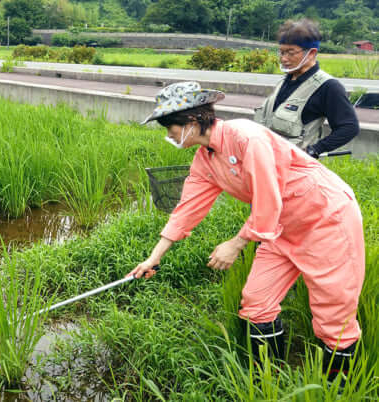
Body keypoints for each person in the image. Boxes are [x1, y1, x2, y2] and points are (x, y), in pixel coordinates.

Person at [130, 81, 365, 383]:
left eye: (170, 128)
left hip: (325, 219)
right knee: (256, 302)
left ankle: (338, 390)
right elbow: (186, 210)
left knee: (334, 314)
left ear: (190, 122)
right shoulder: (207, 158)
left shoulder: (246, 137)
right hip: (279, 227)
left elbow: (269, 198)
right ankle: (267, 381)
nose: (169, 136)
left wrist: (237, 243)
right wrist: (153, 258)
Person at [254, 19, 359, 158]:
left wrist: (315, 149)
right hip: (265, 160)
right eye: (281, 52)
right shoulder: (285, 80)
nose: (284, 59)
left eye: (290, 53)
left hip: (294, 168)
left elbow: (349, 127)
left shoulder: (328, 87)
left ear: (311, 53)